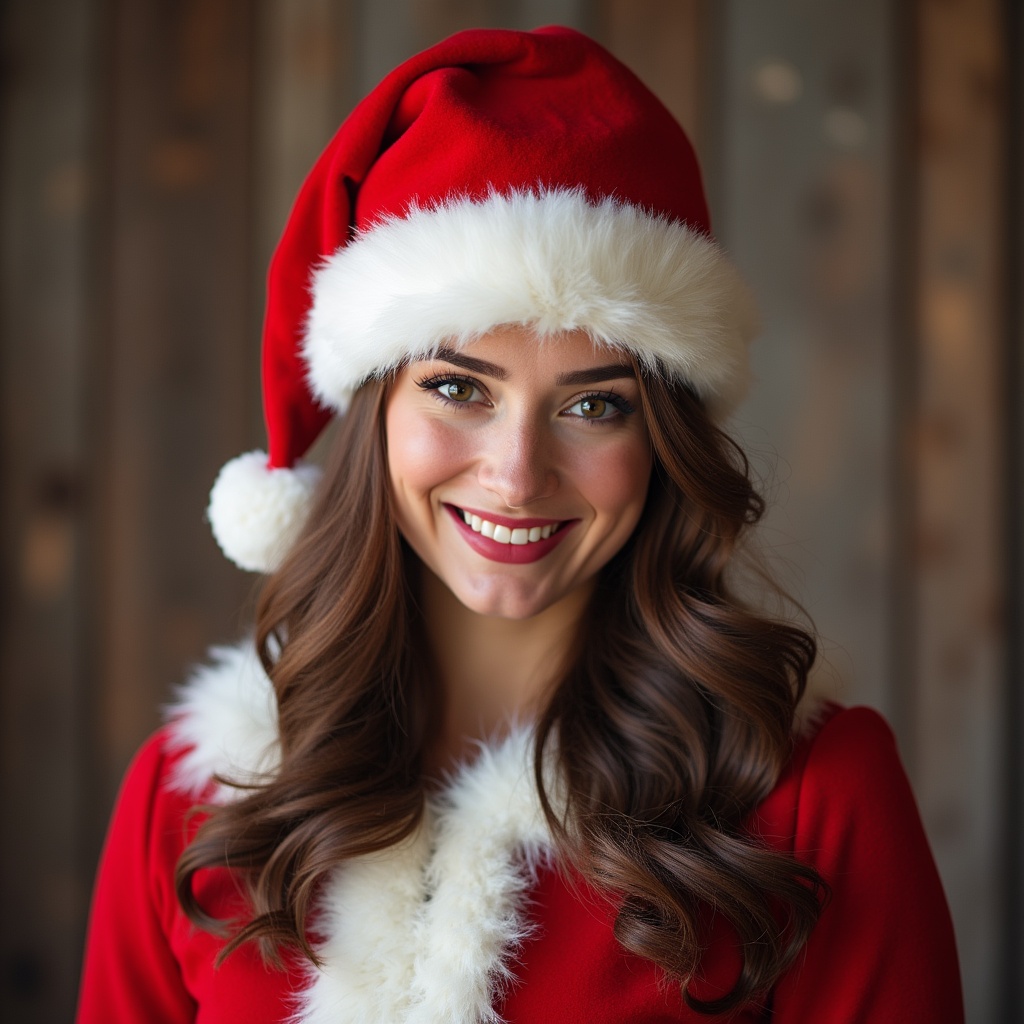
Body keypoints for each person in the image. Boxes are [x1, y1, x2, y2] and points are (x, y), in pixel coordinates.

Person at [76, 25, 964, 1024]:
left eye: (594, 404)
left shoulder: (812, 793)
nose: (515, 473)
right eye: (459, 388)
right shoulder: (192, 796)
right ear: (377, 412)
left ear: (662, 439)